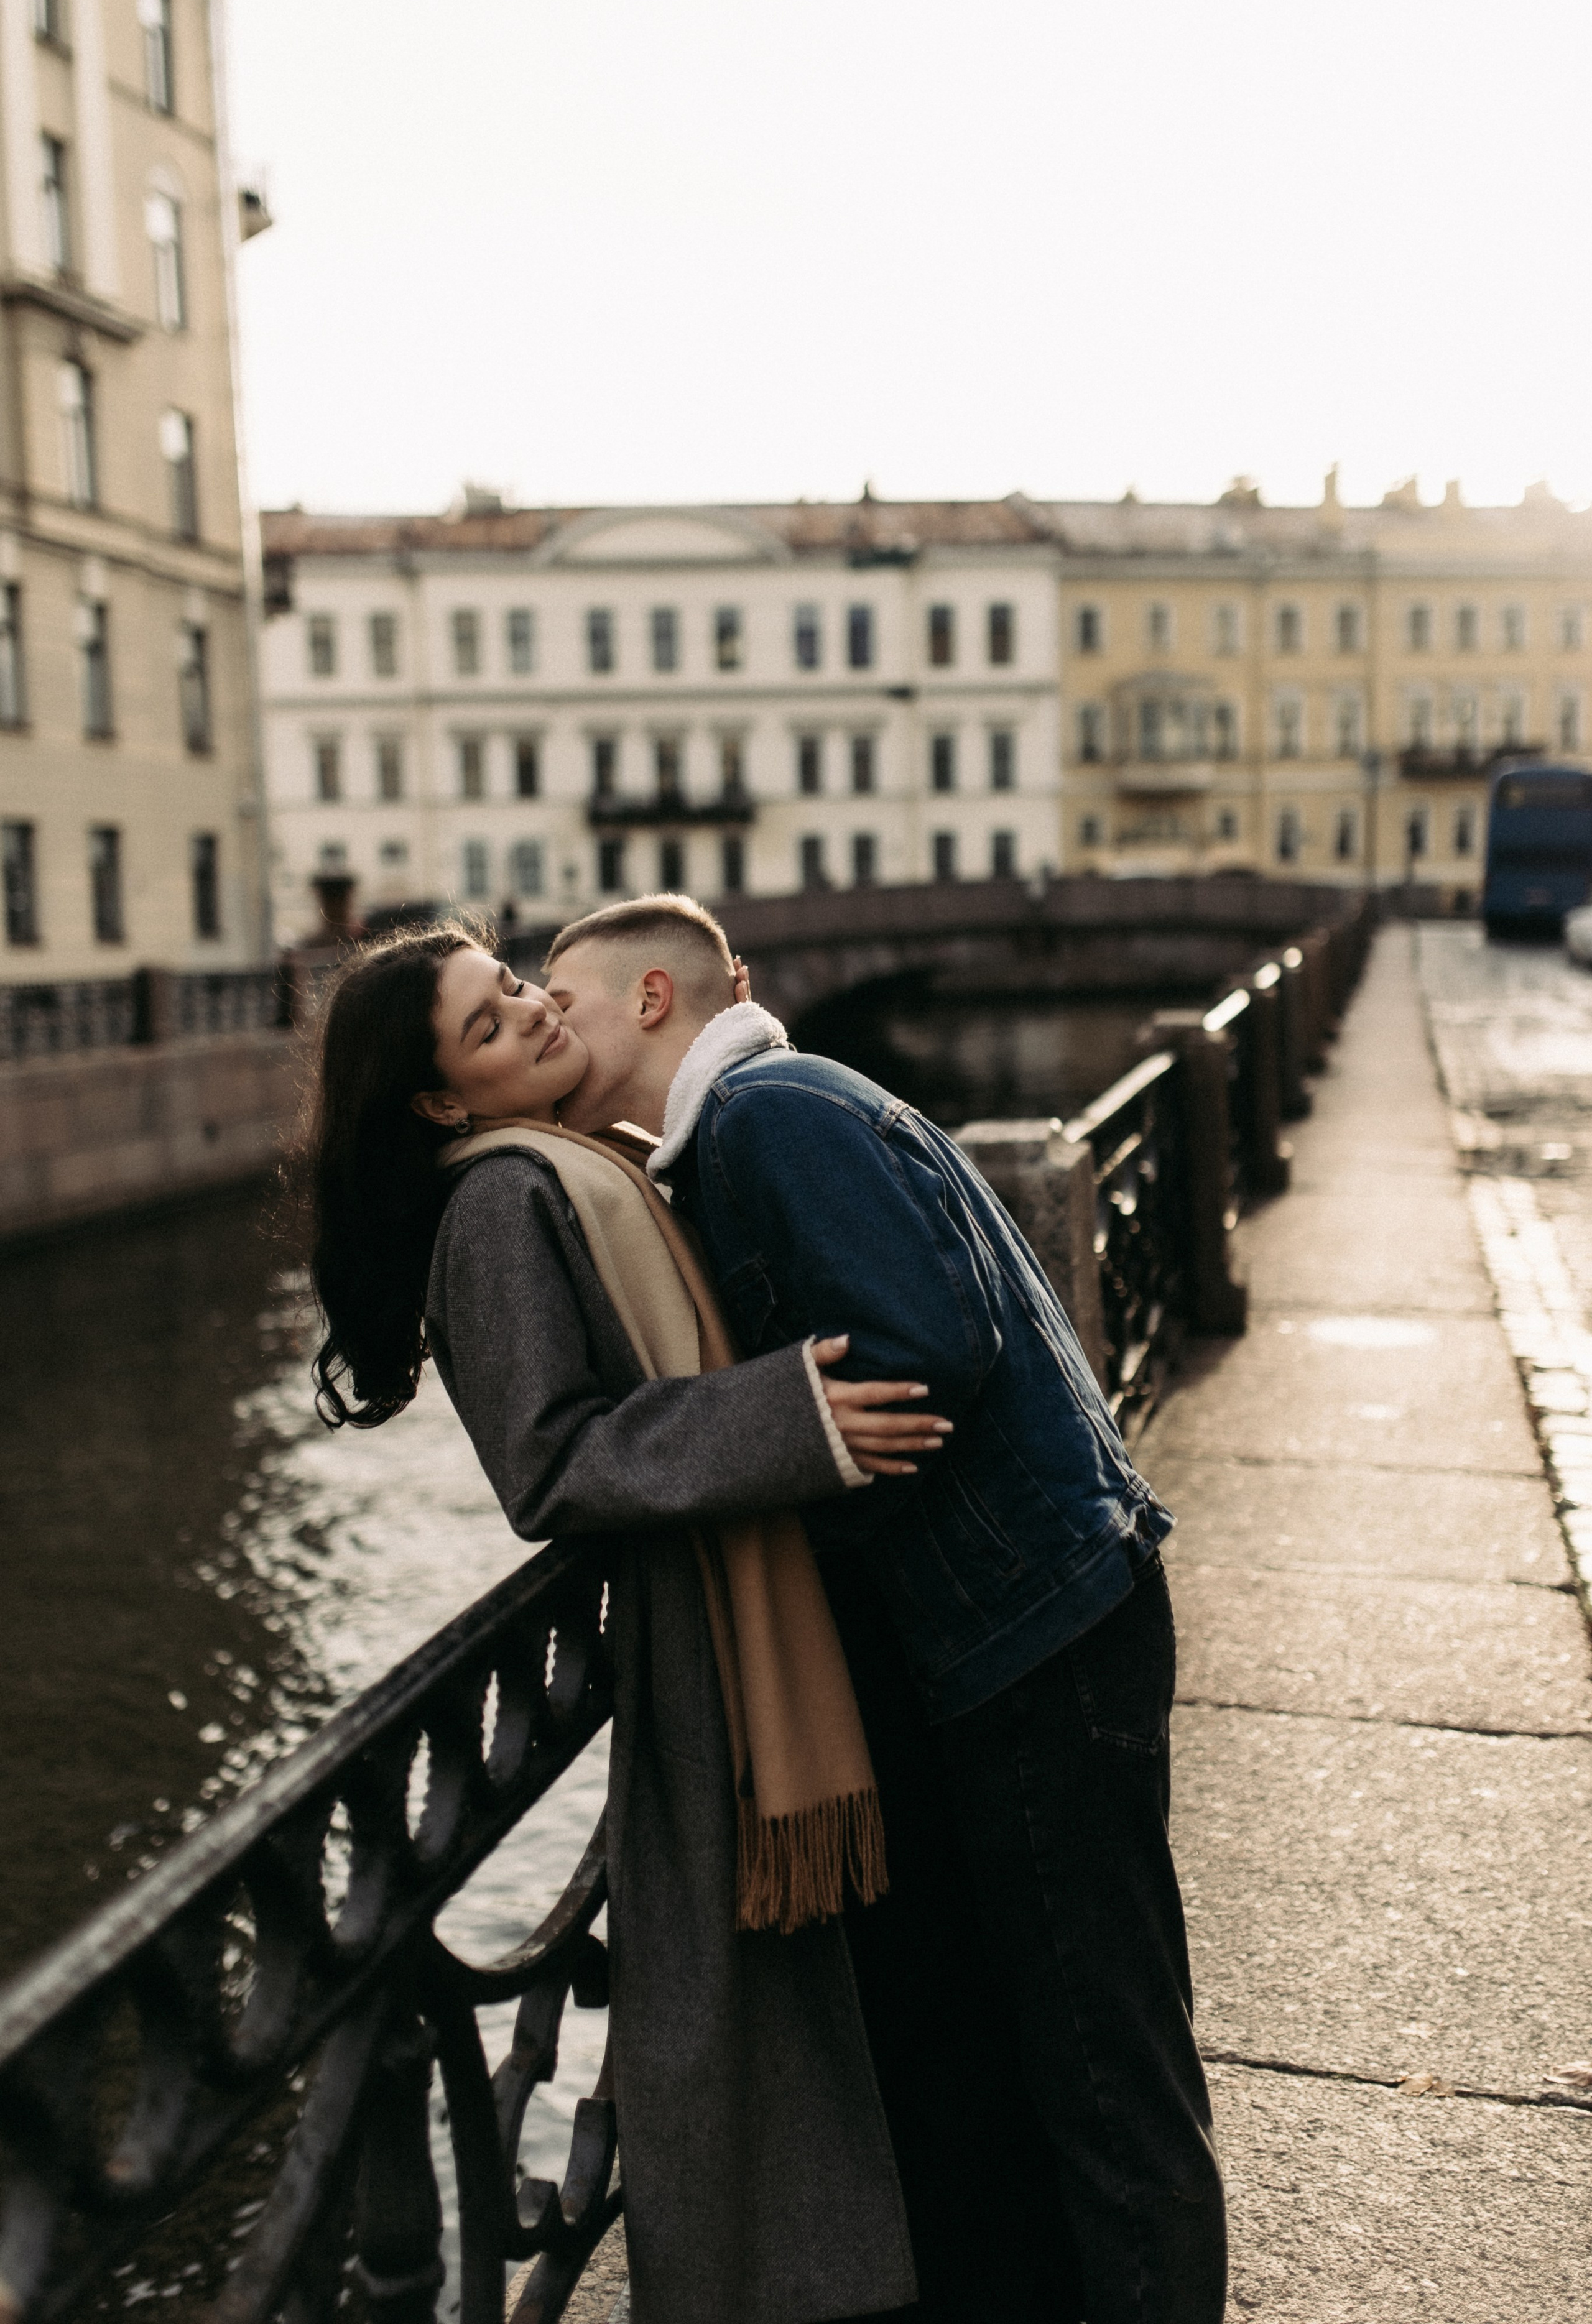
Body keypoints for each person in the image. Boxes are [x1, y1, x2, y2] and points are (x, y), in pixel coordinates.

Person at [544, 893, 1229, 2324]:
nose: (551, 1026)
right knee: (1057, 2042)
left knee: (1105, 2069)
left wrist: (783, 1487)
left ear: (654, 999)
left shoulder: (765, 1113)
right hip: (1038, 1613)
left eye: (565, 1001)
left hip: (1035, 1628)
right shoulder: (750, 1116)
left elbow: (921, 1349)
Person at [303, 920, 948, 2324]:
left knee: (791, 2017)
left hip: (728, 1612)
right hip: (699, 1649)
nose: (534, 1016)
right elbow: (549, 1462)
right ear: (437, 1100)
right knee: (736, 2032)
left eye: (517, 988)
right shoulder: (493, 1205)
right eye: (489, 1026)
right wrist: (784, 1417)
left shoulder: (575, 1162)